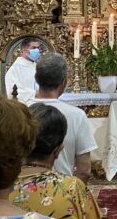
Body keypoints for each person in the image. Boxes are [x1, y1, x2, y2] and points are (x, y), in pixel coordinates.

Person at [30, 53, 97, 181]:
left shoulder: (21, 110)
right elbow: (84, 170)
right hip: (62, 191)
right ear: (64, 82)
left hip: (23, 191)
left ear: (36, 78)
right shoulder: (76, 115)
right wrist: (73, 194)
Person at [5, 37, 42, 104]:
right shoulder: (14, 69)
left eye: (38, 48)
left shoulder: (38, 67)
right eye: (34, 48)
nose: (37, 50)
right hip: (24, 108)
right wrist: (35, 93)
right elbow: (12, 92)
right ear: (24, 50)